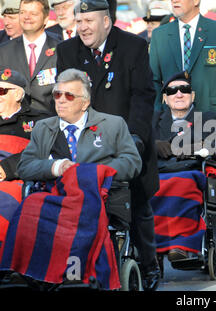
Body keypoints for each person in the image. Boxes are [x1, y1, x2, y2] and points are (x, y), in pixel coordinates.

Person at [0, 68, 141, 290]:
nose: (61, 101)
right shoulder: (44, 128)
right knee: (30, 204)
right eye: (57, 95)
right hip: (57, 192)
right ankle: (23, 269)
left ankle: (74, 272)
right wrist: (54, 167)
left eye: (69, 96)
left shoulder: (113, 124)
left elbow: (132, 162)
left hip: (99, 193)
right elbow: (26, 166)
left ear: (84, 103)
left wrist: (94, 171)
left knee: (81, 206)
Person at [55, 0, 160, 290]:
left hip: (126, 140)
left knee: (137, 206)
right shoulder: (67, 50)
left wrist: (134, 138)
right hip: (85, 142)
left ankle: (149, 265)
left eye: (89, 21)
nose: (82, 27)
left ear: (106, 21)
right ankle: (81, 266)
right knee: (79, 204)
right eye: (78, 21)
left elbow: (143, 96)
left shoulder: (133, 47)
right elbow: (67, 97)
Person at [152, 71, 216, 261]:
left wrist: (199, 145)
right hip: (160, 174)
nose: (179, 94)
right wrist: (153, 145)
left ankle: (180, 244)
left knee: (182, 184)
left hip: (195, 175)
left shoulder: (207, 118)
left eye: (184, 89)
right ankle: (154, 242)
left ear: (193, 95)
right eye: (172, 91)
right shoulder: (153, 121)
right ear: (165, 98)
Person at [149, 0, 216, 131]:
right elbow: (153, 80)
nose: (175, 0)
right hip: (171, 116)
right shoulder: (159, 35)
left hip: (210, 114)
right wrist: (157, 113)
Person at [0, 68, 48, 249]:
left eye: (2, 91)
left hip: (19, 179)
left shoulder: (40, 121)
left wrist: (8, 168)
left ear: (18, 94)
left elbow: (44, 150)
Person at [0, 0, 59, 114]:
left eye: (33, 13)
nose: (27, 17)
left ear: (46, 18)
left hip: (51, 123)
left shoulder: (61, 49)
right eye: (23, 12)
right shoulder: (3, 51)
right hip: (14, 125)